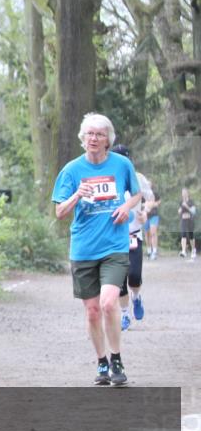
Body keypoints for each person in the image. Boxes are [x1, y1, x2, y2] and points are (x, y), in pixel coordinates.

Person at [52, 113, 141, 386]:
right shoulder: (71, 170)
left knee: (108, 303)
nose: (93, 138)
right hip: (83, 249)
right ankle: (102, 361)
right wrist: (77, 194)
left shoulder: (122, 165)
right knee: (92, 311)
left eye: (99, 134)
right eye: (89, 134)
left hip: (114, 246)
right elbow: (59, 212)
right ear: (83, 138)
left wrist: (126, 207)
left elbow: (137, 194)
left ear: (107, 140)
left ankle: (116, 359)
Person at [110, 145, 148, 330]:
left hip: (134, 234)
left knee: (134, 276)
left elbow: (149, 199)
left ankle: (136, 297)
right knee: (120, 280)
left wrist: (145, 213)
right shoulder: (108, 179)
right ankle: (125, 314)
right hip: (114, 236)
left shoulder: (138, 178)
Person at [179, 187, 197, 260]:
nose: (183, 194)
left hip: (190, 220)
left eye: (185, 193)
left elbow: (193, 211)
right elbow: (180, 211)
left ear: (187, 193)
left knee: (191, 235)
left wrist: (186, 206)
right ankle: (183, 251)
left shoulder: (191, 201)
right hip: (183, 220)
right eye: (182, 193)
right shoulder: (181, 202)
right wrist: (179, 210)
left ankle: (193, 250)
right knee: (183, 234)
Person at [145, 186, 162, 260]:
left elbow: (159, 201)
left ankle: (154, 252)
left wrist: (154, 204)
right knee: (147, 234)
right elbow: (141, 203)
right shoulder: (143, 193)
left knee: (153, 233)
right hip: (145, 216)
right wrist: (147, 205)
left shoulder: (154, 193)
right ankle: (149, 252)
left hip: (154, 215)